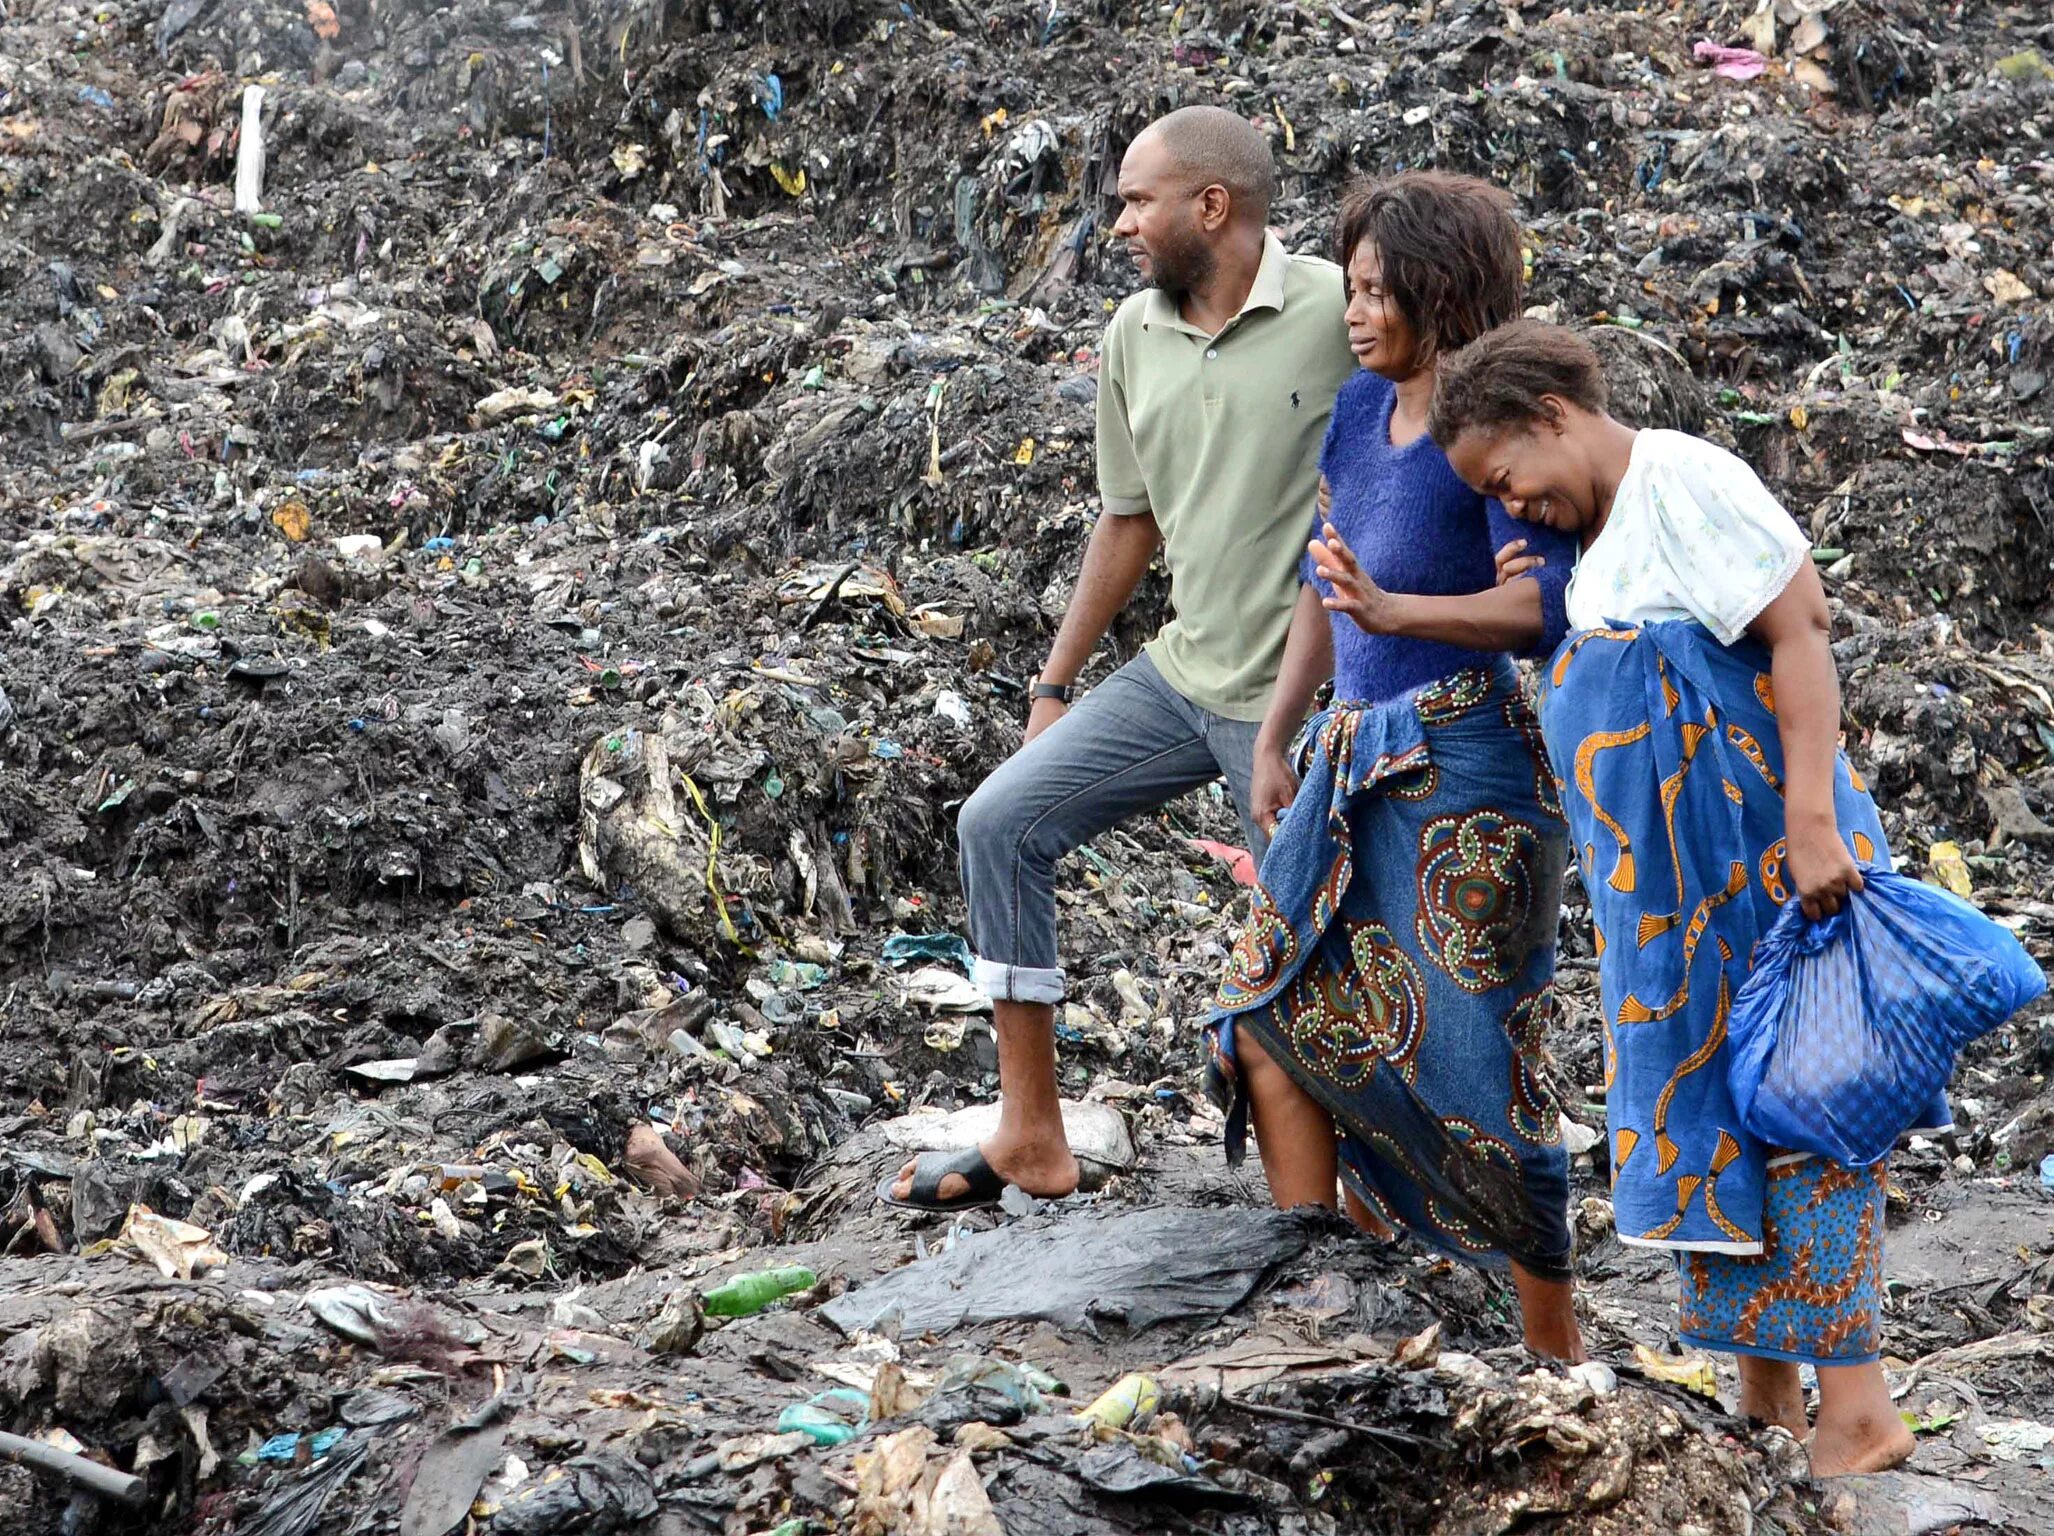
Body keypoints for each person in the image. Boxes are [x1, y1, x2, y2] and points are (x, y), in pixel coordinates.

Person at [1420, 318, 1942, 1475]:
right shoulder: (1605, 540)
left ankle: (1855, 1410)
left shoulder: (1682, 478)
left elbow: (1797, 632)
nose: (1511, 508)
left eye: (1505, 478)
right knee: (1711, 1128)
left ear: (1547, 417)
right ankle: (1766, 1408)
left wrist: (1810, 821)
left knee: (1805, 1110)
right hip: (1671, 917)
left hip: (1768, 881)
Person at [883, 106, 1358, 1212]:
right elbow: (1125, 520)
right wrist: (1053, 688)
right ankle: (1032, 1135)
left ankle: (1332, 1215)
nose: (1117, 226)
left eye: (1135, 202)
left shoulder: (1339, 308)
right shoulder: (1130, 336)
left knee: (1309, 952)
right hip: (1182, 672)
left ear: (1211, 206)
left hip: (1293, 700)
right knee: (997, 824)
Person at [1203, 172, 1585, 1360]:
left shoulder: (1494, 427)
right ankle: (1320, 1296)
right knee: (1268, 1016)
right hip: (1347, 760)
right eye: (1350, 288)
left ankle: (1552, 1348)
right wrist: (1274, 733)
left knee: (1479, 1062)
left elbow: (1540, 603)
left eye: (1378, 292)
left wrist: (1395, 601)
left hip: (1466, 763)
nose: (1355, 312)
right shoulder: (1356, 417)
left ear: (1442, 294)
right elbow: (1329, 590)